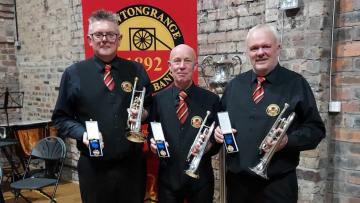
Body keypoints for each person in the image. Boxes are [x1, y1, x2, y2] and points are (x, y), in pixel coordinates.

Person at [214, 24, 326, 203]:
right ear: (248, 52)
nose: (260, 53)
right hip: (237, 185)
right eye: (254, 48)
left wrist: (289, 140)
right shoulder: (235, 85)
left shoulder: (296, 83)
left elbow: (316, 129)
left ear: (278, 49)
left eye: (266, 46)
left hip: (277, 186)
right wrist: (217, 131)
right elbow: (219, 120)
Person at [52, 9, 153, 203]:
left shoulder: (136, 69)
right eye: (99, 34)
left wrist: (143, 114)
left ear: (119, 38)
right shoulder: (74, 73)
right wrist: (83, 133)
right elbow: (61, 118)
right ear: (90, 39)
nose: (105, 39)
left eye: (110, 34)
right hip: (93, 167)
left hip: (132, 166)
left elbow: (150, 106)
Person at [147, 44, 221, 203]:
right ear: (169, 66)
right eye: (177, 61)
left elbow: (218, 139)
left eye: (187, 61)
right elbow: (152, 134)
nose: (181, 66)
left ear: (195, 66)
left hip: (201, 181)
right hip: (168, 181)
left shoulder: (212, 100)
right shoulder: (158, 100)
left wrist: (210, 145)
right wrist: (153, 145)